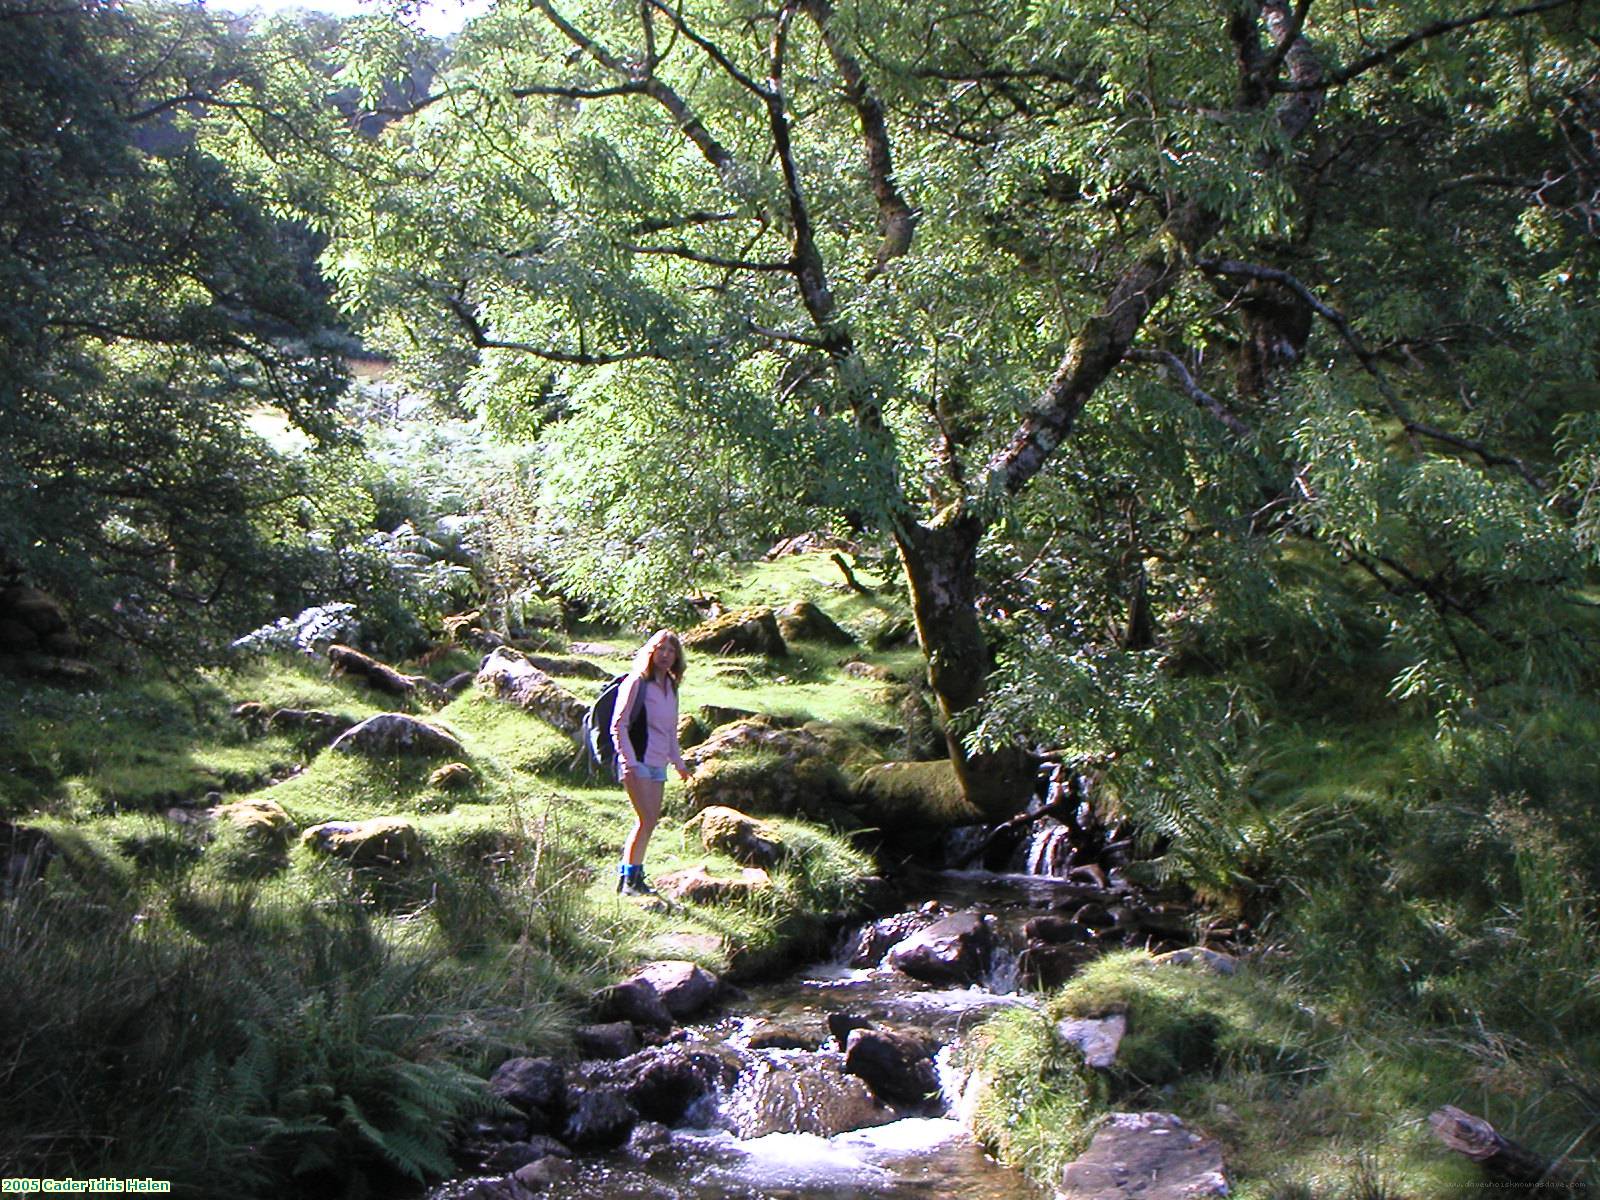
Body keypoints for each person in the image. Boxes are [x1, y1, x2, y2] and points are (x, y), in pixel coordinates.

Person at [611, 629, 692, 895]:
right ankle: (629, 880)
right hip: (637, 761)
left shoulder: (671, 686)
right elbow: (619, 725)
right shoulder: (637, 682)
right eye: (661, 649)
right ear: (651, 651)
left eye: (671, 651)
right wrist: (628, 762)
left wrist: (679, 763)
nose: (666, 655)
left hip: (658, 763)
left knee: (649, 821)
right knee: (645, 819)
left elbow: (670, 730)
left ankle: (632, 876)